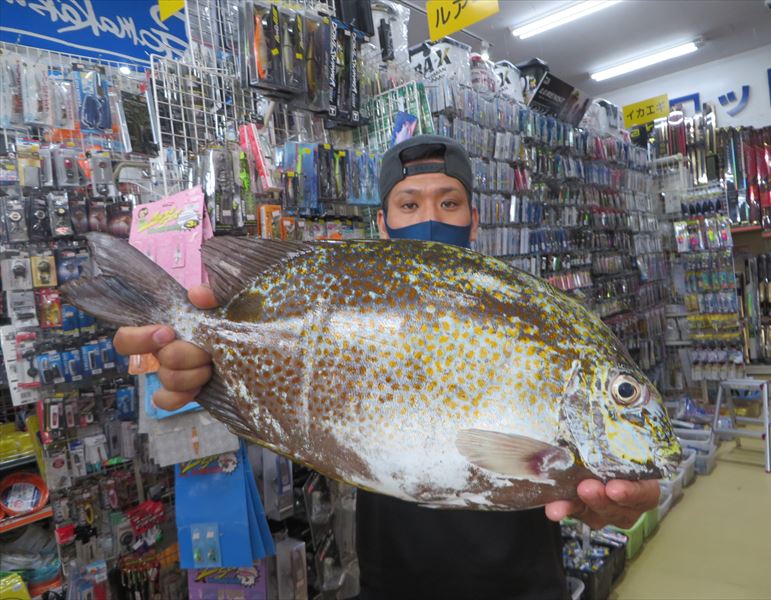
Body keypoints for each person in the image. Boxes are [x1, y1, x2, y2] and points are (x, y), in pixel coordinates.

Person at [114, 136, 660, 600]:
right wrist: (206, 365)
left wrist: (623, 489)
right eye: (409, 204)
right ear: (382, 224)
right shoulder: (343, 307)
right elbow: (298, 406)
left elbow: (609, 485)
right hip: (393, 578)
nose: (429, 217)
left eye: (449, 203)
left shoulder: (536, 316)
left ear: (474, 222)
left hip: (523, 581)